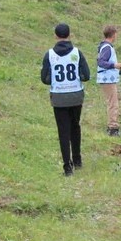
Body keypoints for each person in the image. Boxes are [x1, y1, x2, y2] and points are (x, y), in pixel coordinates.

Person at [40, 22, 91, 176]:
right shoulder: (77, 52)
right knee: (75, 126)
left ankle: (67, 167)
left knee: (63, 131)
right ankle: (77, 159)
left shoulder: (49, 54)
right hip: (76, 96)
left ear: (56, 36)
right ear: (69, 35)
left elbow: (45, 79)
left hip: (59, 97)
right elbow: (86, 76)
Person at [96, 25, 121, 136]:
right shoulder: (107, 47)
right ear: (113, 34)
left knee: (112, 102)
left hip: (108, 78)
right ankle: (113, 128)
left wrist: (117, 68)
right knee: (113, 103)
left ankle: (112, 126)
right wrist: (114, 65)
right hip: (107, 80)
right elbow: (101, 62)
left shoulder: (105, 46)